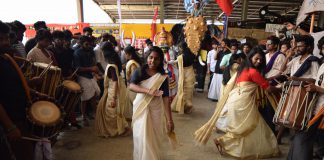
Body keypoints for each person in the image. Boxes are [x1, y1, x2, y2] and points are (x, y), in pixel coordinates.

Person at [200, 46, 280, 159]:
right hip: (243, 103)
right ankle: (222, 141)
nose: (259, 61)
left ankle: (230, 145)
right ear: (250, 57)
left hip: (235, 101)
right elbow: (269, 89)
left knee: (244, 127)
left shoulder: (243, 69)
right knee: (247, 127)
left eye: (261, 60)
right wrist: (280, 87)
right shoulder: (253, 72)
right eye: (256, 58)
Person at [129, 46, 174, 160]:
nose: (152, 61)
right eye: (150, 57)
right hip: (141, 106)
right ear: (146, 57)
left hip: (156, 108)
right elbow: (131, 86)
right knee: (142, 135)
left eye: (156, 59)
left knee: (154, 136)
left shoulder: (162, 77)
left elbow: (165, 98)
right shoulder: (140, 71)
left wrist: (169, 120)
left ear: (160, 60)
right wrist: (148, 91)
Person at [287, 36, 324, 160]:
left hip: (320, 109)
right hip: (315, 105)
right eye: (323, 48)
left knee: (303, 135)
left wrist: (316, 88)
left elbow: (316, 84)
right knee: (300, 134)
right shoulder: (323, 65)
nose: (323, 51)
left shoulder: (314, 62)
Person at [95, 42, 130, 137]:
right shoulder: (115, 61)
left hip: (114, 90)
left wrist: (113, 98)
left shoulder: (111, 65)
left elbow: (114, 81)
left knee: (112, 111)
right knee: (115, 110)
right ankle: (122, 128)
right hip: (117, 88)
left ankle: (123, 129)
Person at [74, 35, 100, 126]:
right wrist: (91, 69)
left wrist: (95, 72)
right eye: (86, 44)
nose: (88, 46)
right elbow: (77, 69)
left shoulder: (91, 51)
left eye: (90, 44)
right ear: (81, 44)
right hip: (83, 77)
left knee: (94, 96)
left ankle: (97, 115)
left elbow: (94, 63)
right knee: (84, 99)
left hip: (91, 76)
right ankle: (84, 117)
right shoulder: (77, 53)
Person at [171, 42, 196, 114]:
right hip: (190, 73)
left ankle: (181, 107)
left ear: (181, 48)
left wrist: (168, 62)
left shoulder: (180, 57)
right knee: (189, 90)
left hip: (183, 74)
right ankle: (188, 105)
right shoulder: (192, 55)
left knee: (182, 90)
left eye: (180, 48)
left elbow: (175, 62)